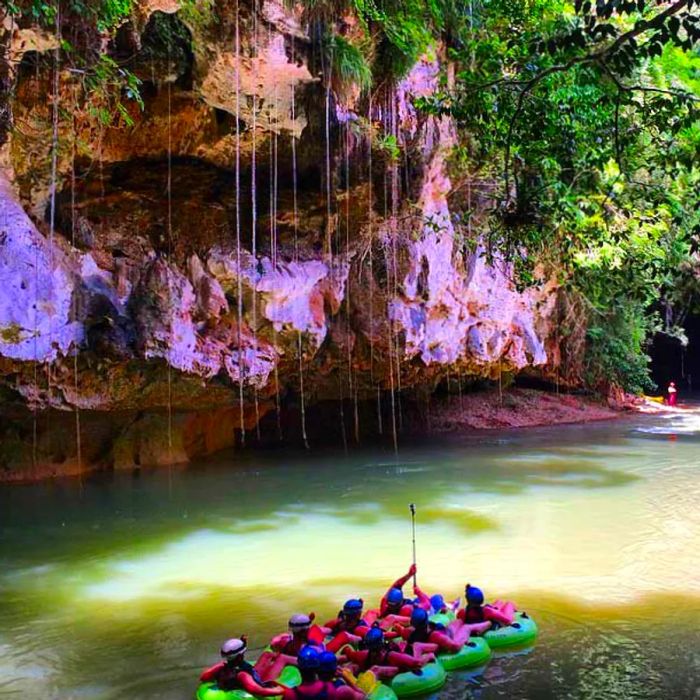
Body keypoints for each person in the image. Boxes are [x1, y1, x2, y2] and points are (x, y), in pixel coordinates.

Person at [200, 637, 286, 696]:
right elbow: (256, 689)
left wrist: (243, 643)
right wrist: (280, 691)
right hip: (258, 681)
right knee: (281, 659)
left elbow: (204, 677)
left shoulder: (221, 666)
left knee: (266, 655)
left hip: (245, 673)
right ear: (240, 656)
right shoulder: (242, 675)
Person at [341, 626, 429, 681]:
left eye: (375, 649)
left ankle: (362, 692)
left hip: (395, 670)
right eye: (372, 650)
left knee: (375, 669)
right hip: (380, 666)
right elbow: (351, 655)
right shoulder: (365, 654)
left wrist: (428, 656)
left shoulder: (392, 655)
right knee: (352, 666)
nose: (373, 652)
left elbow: (417, 663)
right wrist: (346, 650)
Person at [258, 613, 325, 682]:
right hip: (300, 655)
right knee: (267, 654)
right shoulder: (289, 641)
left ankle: (266, 683)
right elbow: (274, 644)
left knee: (282, 658)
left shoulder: (312, 646)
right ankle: (255, 676)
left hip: (307, 662)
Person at [395, 606, 465, 657]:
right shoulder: (434, 635)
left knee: (457, 622)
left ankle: (459, 616)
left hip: (443, 632)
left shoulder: (409, 632)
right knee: (458, 621)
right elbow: (455, 647)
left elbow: (455, 647)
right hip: (443, 632)